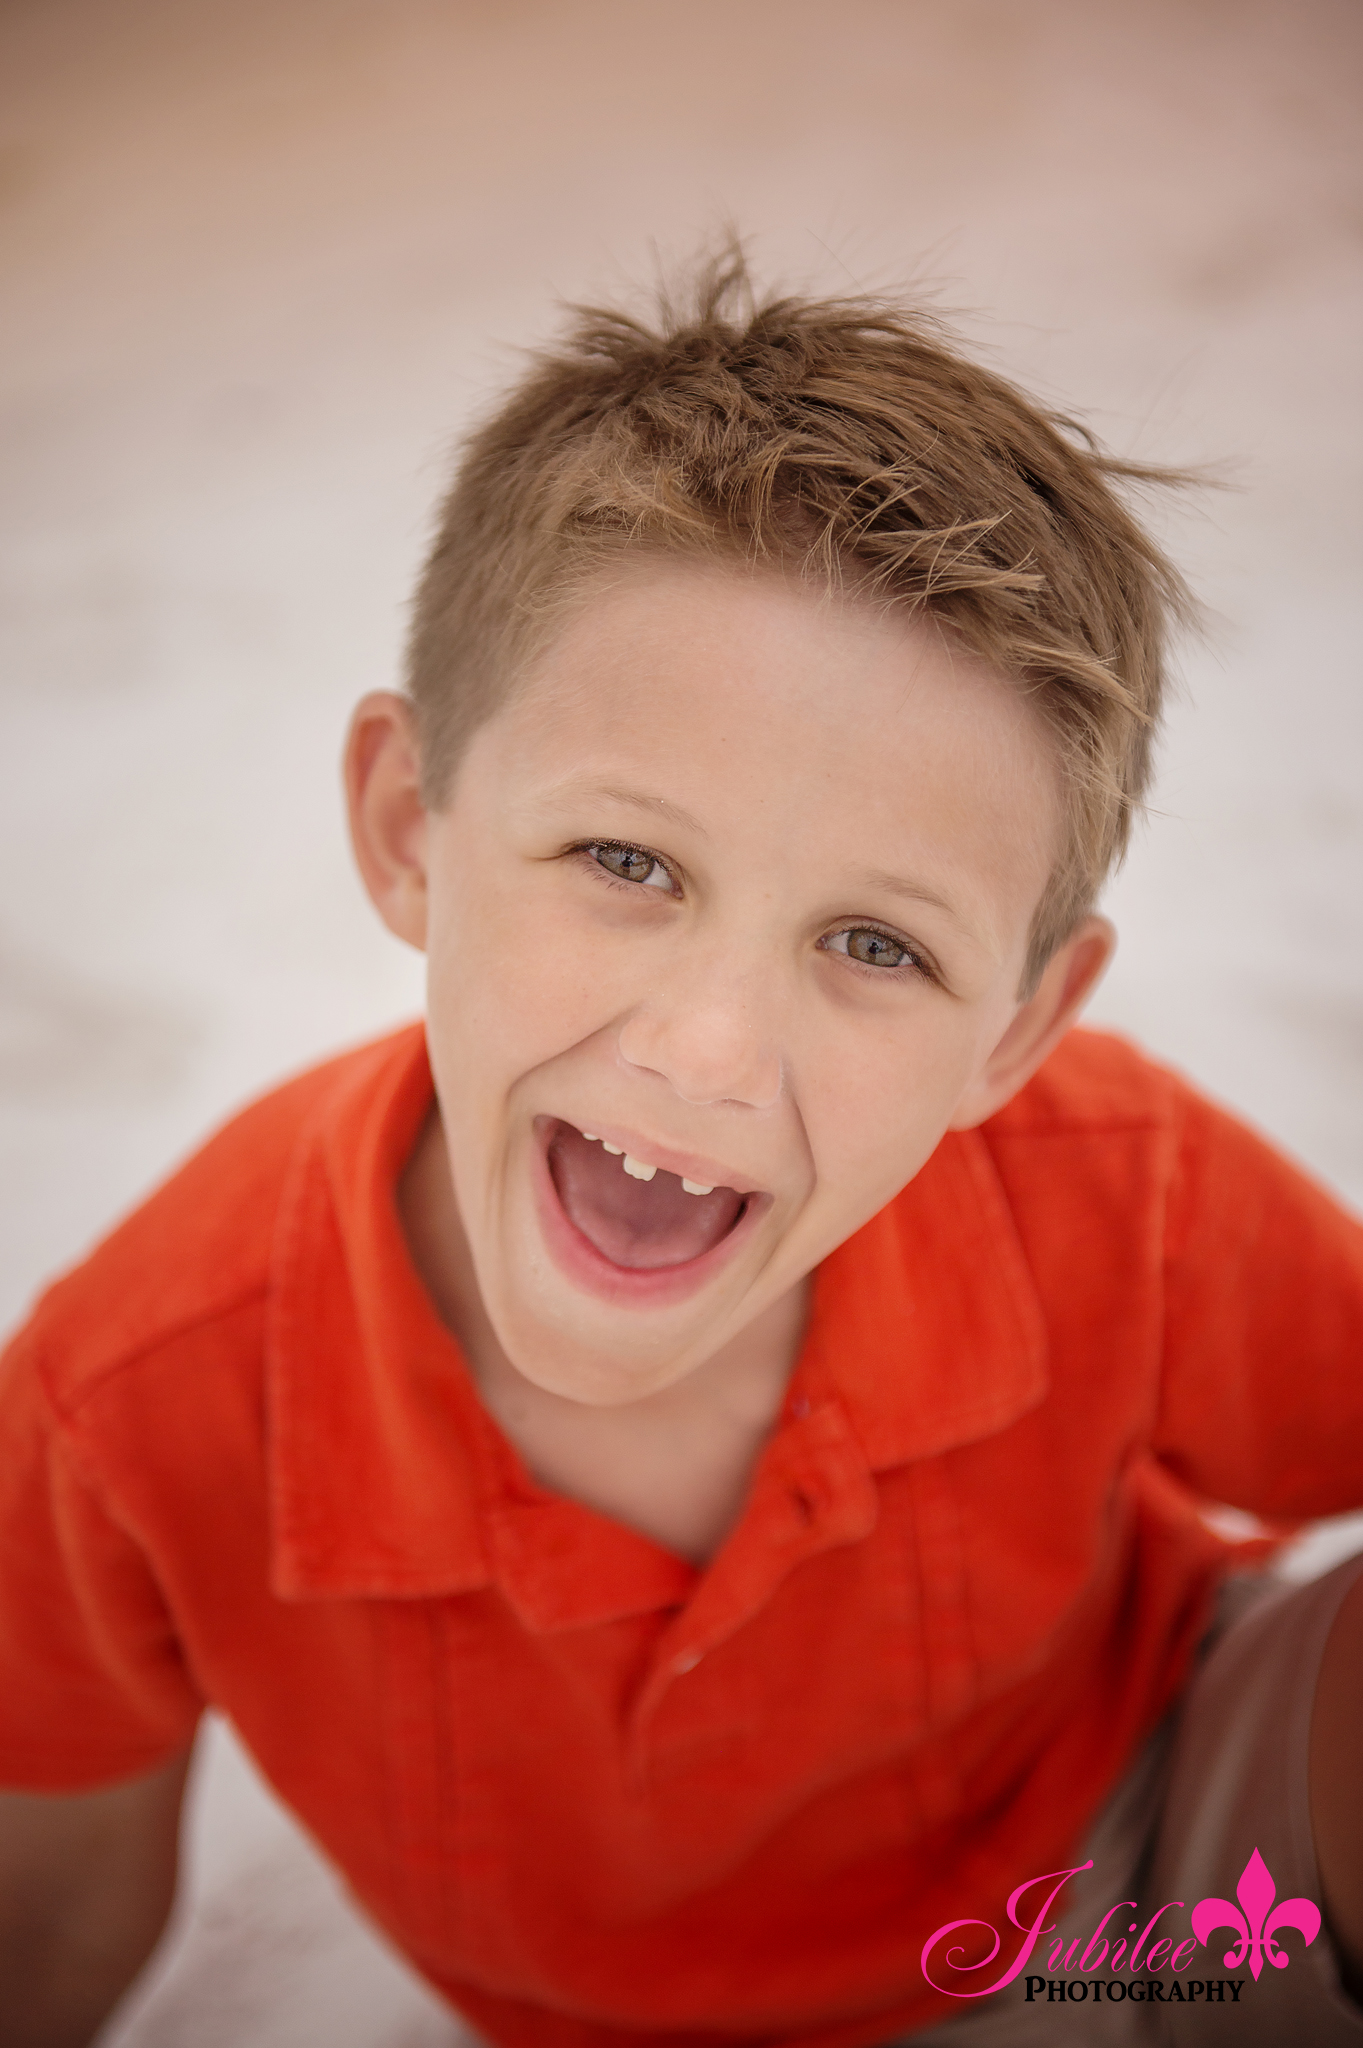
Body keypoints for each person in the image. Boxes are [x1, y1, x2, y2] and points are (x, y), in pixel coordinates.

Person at [1, 250, 1360, 2048]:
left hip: (1166, 1885)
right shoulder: (127, 1406)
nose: (711, 1053)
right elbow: (49, 1918)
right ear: (414, 826)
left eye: (878, 945)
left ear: (1018, 1030)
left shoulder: (1119, 1181)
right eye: (629, 865)